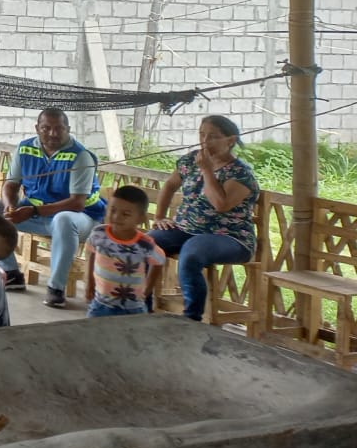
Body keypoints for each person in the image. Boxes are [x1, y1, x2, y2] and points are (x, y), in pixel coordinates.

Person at [0, 107, 104, 308]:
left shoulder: (80, 156)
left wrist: (32, 211)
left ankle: (56, 288)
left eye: (59, 128)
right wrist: (10, 207)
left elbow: (77, 203)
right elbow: (10, 185)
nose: (52, 133)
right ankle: (11, 274)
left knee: (63, 219)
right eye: (46, 128)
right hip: (36, 215)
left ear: (68, 129)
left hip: (81, 219)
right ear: (37, 128)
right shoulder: (25, 148)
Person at [150, 115, 260, 322]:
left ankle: (192, 318)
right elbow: (170, 185)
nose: (205, 141)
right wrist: (159, 217)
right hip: (186, 229)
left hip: (230, 237)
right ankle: (140, 303)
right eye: (202, 134)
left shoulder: (241, 173)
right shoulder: (190, 160)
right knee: (145, 243)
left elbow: (221, 204)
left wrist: (207, 170)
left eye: (213, 136)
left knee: (192, 252)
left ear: (230, 140)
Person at [87, 186, 166, 318]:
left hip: (133, 308)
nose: (116, 217)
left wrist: (147, 289)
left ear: (140, 219)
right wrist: (90, 282)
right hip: (100, 305)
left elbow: (159, 261)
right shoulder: (98, 234)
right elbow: (91, 253)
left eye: (126, 214)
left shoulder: (144, 244)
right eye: (112, 210)